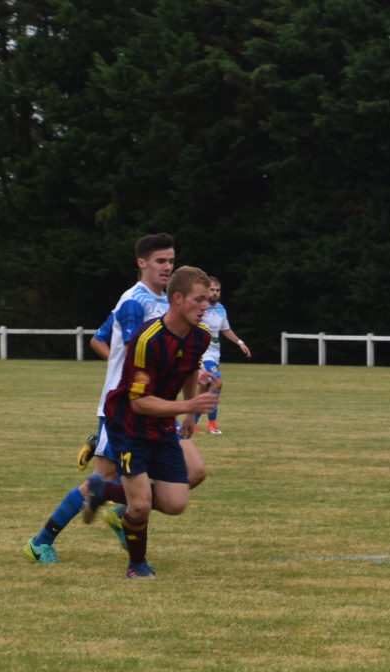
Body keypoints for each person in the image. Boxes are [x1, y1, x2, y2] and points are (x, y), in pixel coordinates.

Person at [26, 233, 208, 564]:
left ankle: (124, 510)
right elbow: (129, 347)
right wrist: (122, 367)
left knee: (194, 472)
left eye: (171, 260)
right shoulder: (133, 302)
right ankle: (41, 541)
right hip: (127, 410)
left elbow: (102, 337)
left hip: (159, 410)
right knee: (101, 479)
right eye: (160, 261)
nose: (167, 267)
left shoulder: (168, 300)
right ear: (142, 263)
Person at [83, 265, 218, 578]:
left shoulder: (200, 336)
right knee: (141, 505)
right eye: (199, 299)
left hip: (162, 423)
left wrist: (189, 414)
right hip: (129, 425)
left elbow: (189, 370)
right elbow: (139, 402)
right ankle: (137, 565)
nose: (206, 305)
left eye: (207, 300)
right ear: (178, 299)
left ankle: (102, 490)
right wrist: (187, 405)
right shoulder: (148, 340)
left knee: (175, 503)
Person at [193, 275, 252, 434]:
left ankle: (193, 423)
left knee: (203, 388)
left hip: (214, 354)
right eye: (212, 289)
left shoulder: (221, 309)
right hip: (202, 354)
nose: (215, 293)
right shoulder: (199, 307)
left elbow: (225, 329)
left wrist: (240, 343)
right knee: (217, 382)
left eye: (217, 290)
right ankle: (212, 423)